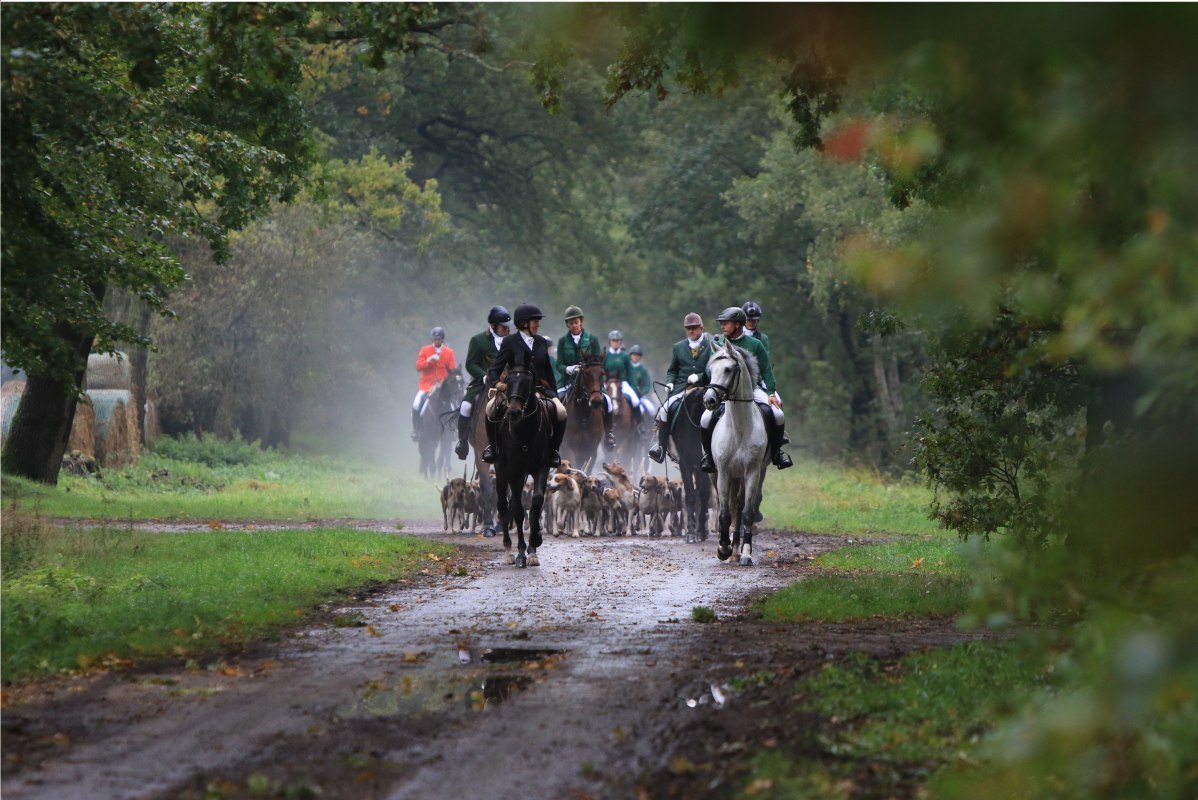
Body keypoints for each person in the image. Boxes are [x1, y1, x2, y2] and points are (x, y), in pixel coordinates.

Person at [700, 306, 793, 472]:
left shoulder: (755, 344)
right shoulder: (719, 342)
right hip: (724, 392)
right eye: (721, 323)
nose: (722, 326)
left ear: (737, 324)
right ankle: (708, 456)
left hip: (752, 389)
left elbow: (766, 369)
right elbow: (711, 369)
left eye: (725, 323)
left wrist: (771, 392)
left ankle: (777, 452)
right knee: (705, 419)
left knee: (778, 414)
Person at [481, 303, 567, 466]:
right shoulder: (510, 342)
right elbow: (495, 369)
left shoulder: (541, 342)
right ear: (523, 323)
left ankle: (553, 451)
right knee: (490, 409)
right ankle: (493, 448)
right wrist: (498, 383)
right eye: (535, 321)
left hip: (541, 388)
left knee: (561, 412)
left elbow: (548, 371)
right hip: (515, 390)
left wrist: (553, 393)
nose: (538, 324)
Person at [648, 312, 712, 463]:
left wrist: (701, 377)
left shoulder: (710, 345)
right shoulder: (678, 347)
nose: (691, 331)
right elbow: (673, 370)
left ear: (701, 328)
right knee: (664, 410)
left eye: (694, 328)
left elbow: (714, 367)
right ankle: (661, 448)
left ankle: (711, 450)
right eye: (688, 328)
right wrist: (670, 381)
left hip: (705, 387)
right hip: (682, 388)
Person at [556, 305, 616, 449]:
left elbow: (598, 362)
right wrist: (568, 369)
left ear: (581, 322)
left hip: (590, 382)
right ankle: (554, 436)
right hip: (568, 382)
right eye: (571, 323)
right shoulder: (562, 341)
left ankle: (609, 433)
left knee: (608, 402)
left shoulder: (592, 339)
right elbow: (559, 364)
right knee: (555, 404)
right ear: (567, 325)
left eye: (576, 322)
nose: (574, 325)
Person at [455, 306, 510, 459]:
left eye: (507, 326)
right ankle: (463, 441)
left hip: (508, 384)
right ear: (493, 325)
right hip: (482, 383)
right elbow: (470, 364)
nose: (506, 329)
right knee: (466, 406)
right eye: (503, 326)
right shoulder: (478, 340)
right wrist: (484, 376)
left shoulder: (512, 341)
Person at [412, 326, 457, 441]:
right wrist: (428, 360)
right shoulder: (424, 350)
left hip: (443, 386)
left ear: (442, 339)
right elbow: (418, 367)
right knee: (416, 404)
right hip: (427, 385)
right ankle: (416, 430)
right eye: (434, 339)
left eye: (438, 339)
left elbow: (452, 370)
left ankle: (455, 430)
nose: (436, 341)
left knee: (455, 405)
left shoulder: (449, 352)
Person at [603, 330, 645, 433]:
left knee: (635, 401)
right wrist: (603, 382)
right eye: (613, 341)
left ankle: (640, 425)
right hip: (608, 383)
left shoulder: (625, 356)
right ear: (610, 342)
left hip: (622, 382)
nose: (615, 342)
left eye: (617, 341)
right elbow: (602, 370)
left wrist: (634, 386)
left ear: (620, 342)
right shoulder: (605, 355)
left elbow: (630, 372)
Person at [628, 344, 657, 421]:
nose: (635, 357)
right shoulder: (627, 368)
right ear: (630, 355)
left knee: (651, 410)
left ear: (640, 357)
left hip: (640, 396)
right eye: (634, 355)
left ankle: (649, 428)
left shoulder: (643, 370)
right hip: (628, 394)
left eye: (637, 355)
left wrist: (642, 392)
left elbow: (647, 385)